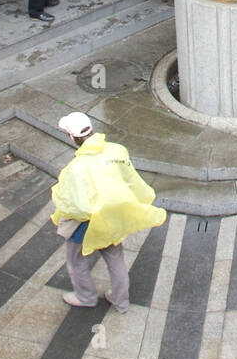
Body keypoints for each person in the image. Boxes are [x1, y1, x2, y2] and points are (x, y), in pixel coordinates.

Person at [50, 112, 166, 312]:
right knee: (115, 258)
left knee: (77, 261)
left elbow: (75, 206)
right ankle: (121, 301)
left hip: (86, 225)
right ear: (92, 129)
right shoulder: (117, 151)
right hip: (113, 218)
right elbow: (131, 179)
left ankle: (85, 297)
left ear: (71, 137)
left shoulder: (74, 168)